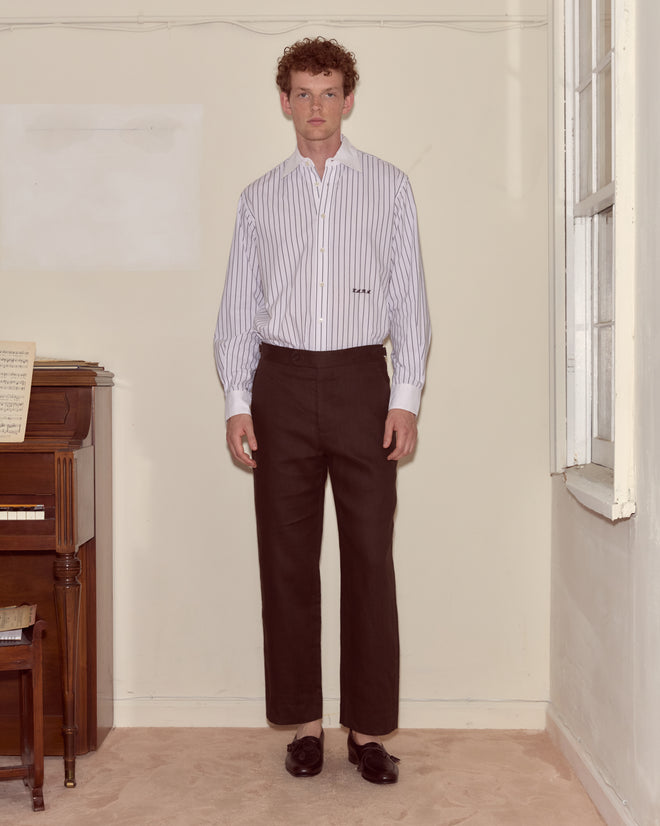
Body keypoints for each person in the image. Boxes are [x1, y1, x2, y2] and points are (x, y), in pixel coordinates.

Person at [214, 36, 430, 785]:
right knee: (287, 560)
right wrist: (238, 402)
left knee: (369, 556)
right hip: (279, 385)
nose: (316, 106)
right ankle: (305, 725)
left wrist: (405, 396)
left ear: (348, 99)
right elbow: (239, 308)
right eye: (302, 92)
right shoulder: (259, 198)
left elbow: (411, 301)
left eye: (328, 91)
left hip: (360, 382)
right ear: (284, 101)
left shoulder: (390, 187)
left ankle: (368, 731)